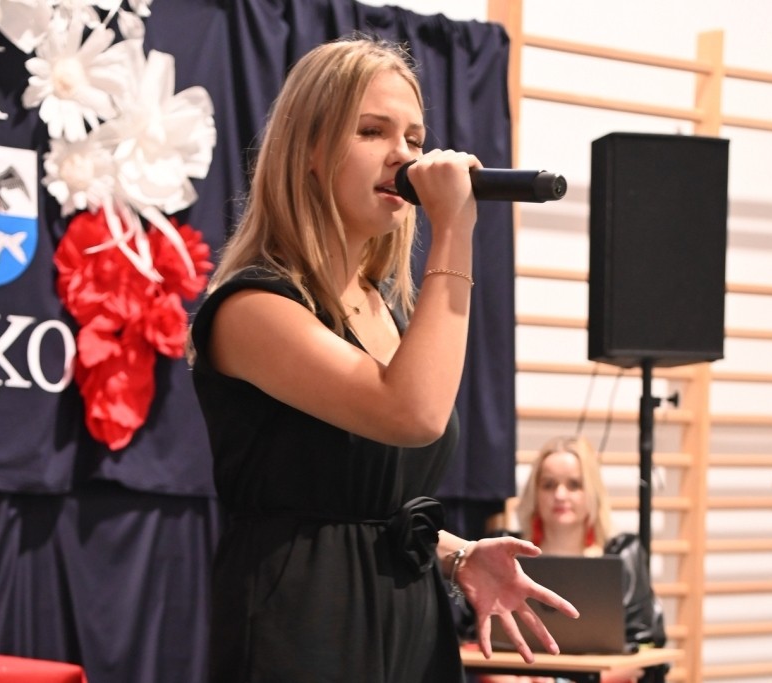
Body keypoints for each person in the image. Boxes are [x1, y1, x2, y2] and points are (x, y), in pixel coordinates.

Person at [188, 34, 579, 683]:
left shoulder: (383, 308)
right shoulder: (252, 307)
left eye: (415, 139)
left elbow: (363, 499)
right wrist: (454, 230)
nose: (404, 156)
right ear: (308, 150)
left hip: (408, 618)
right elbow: (413, 414)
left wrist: (457, 554)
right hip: (303, 625)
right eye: (372, 131)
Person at [480, 435, 667, 683]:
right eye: (548, 485)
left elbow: (644, 648)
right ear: (535, 493)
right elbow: (473, 637)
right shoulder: (504, 552)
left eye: (574, 485)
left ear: (592, 492)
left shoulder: (623, 554)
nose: (560, 494)